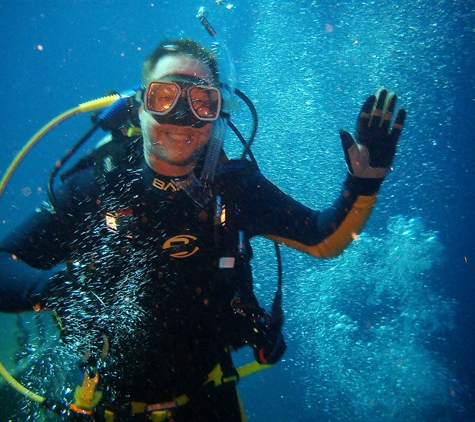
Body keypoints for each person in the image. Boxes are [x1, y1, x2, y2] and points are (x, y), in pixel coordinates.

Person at [0, 38, 406, 421]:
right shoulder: (95, 189)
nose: (182, 117)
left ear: (217, 115)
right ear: (140, 106)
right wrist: (48, 290)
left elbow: (324, 239)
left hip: (210, 402)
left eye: (201, 102)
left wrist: (364, 183)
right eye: (165, 98)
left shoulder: (233, 186)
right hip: (112, 408)